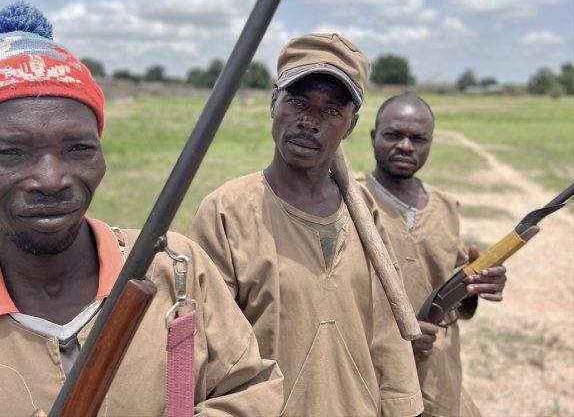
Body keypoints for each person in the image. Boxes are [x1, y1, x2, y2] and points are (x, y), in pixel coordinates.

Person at [0, 2, 283, 416]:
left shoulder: (175, 269)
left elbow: (251, 389)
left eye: (78, 148)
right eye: (11, 152)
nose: (51, 180)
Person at [188, 33, 424, 417]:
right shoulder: (227, 212)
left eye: (331, 111)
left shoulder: (364, 213)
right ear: (273, 104)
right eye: (297, 101)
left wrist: (403, 408)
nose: (310, 121)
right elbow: (206, 346)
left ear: (350, 125)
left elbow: (386, 336)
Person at [357, 92, 507, 417]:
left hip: (438, 370)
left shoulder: (446, 206)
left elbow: (452, 287)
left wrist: (480, 281)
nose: (406, 146)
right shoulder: (348, 199)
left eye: (419, 138)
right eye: (394, 135)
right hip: (371, 372)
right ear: (373, 136)